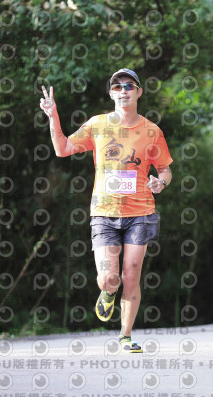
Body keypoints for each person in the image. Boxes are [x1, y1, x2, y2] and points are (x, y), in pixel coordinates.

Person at [39, 68, 173, 353]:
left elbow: (165, 169)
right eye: (117, 87)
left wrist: (160, 182)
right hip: (104, 214)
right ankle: (108, 292)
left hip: (140, 213)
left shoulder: (151, 131)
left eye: (129, 86)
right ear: (111, 94)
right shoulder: (97, 125)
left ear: (139, 92)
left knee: (131, 275)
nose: (123, 91)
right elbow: (62, 148)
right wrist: (53, 117)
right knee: (109, 278)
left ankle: (125, 335)